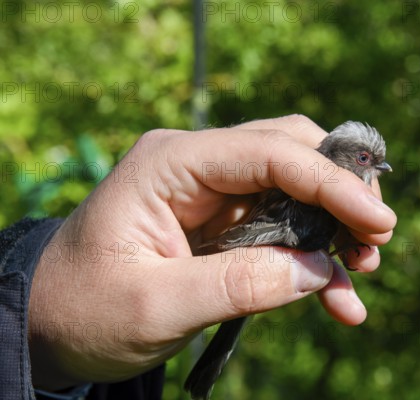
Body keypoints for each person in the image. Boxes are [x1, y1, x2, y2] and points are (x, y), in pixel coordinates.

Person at [0, 115, 396, 399]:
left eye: (372, 161)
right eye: (364, 159)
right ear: (339, 155)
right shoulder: (318, 199)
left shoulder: (319, 197)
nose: (375, 168)